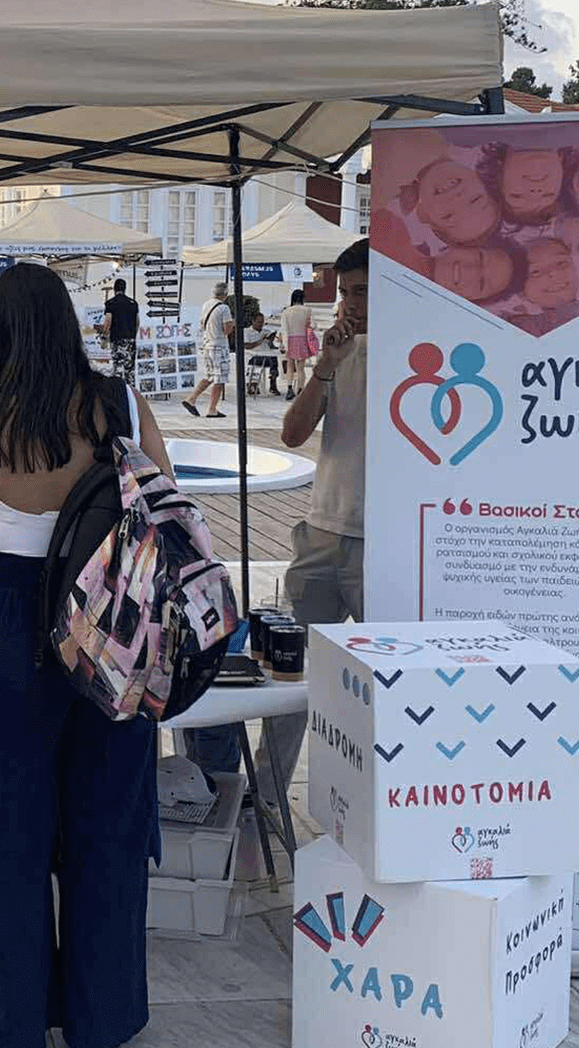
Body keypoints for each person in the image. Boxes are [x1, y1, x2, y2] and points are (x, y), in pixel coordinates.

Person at [0, 262, 173, 1048]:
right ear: (68, 321)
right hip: (112, 619)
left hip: (12, 616)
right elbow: (164, 515)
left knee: (12, 826)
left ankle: (18, 1020)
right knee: (109, 820)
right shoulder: (121, 405)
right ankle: (103, 1017)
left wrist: (12, 540)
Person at [187, 242, 369, 798]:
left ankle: (374, 797)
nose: (350, 304)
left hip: (383, 540)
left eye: (362, 292)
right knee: (286, 668)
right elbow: (291, 434)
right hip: (323, 528)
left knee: (384, 677)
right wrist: (325, 368)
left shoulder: (420, 354)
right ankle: (266, 795)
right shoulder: (340, 352)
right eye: (345, 293)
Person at [183, 280, 232, 419]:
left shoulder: (206, 304)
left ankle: (191, 399)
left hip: (207, 344)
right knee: (219, 379)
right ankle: (212, 409)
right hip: (219, 345)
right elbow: (227, 329)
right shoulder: (224, 308)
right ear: (226, 294)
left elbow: (202, 325)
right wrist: (233, 323)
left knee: (209, 376)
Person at [101, 278, 140, 385]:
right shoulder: (133, 303)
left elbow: (108, 322)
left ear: (114, 289)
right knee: (130, 371)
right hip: (130, 341)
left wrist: (104, 338)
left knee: (118, 369)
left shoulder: (110, 303)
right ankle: (130, 391)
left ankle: (118, 392)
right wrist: (133, 336)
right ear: (125, 289)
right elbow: (137, 322)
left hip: (117, 340)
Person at [278, 288, 312, 400]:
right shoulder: (307, 310)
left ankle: (289, 388)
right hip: (303, 339)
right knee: (301, 368)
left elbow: (284, 329)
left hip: (290, 339)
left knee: (290, 366)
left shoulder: (286, 311)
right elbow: (313, 325)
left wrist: (284, 344)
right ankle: (300, 389)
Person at [244, 309, 280, 396]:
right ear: (253, 321)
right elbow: (246, 346)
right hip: (253, 355)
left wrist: (271, 339)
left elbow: (272, 346)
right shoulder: (246, 332)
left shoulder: (266, 331)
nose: (261, 324)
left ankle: (273, 381)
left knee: (274, 358)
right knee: (268, 359)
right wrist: (260, 341)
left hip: (266, 355)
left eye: (262, 322)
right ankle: (253, 384)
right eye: (259, 322)